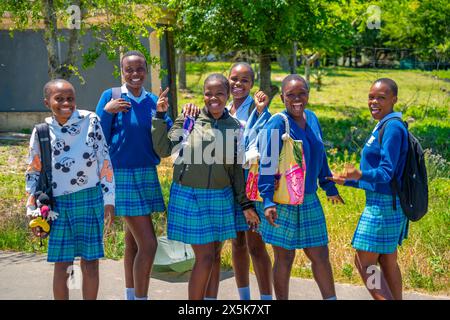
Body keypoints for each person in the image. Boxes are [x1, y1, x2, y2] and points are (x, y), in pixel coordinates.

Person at [152, 73, 258, 300]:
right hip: (190, 196)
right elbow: (163, 149)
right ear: (203, 95)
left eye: (219, 93)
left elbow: (236, 170)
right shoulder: (190, 118)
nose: (213, 98)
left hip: (221, 196)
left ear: (227, 95)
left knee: (216, 255)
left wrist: (245, 203)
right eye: (208, 93)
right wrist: (160, 115)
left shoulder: (235, 127)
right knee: (206, 257)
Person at [25, 79, 115, 300]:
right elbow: (34, 171)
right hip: (57, 205)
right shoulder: (42, 131)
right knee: (63, 265)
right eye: (59, 99)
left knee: (91, 263)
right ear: (47, 102)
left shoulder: (90, 121)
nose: (66, 102)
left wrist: (109, 198)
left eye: (70, 98)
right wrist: (33, 210)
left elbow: (104, 159)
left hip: (90, 198)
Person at [257, 74, 344, 300]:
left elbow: (320, 155)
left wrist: (329, 185)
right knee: (284, 258)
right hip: (283, 201)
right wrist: (267, 201)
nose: (297, 99)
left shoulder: (312, 118)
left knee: (320, 254)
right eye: (290, 95)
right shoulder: (277, 122)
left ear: (308, 94)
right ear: (283, 97)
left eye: (302, 93)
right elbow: (267, 162)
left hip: (309, 198)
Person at [95, 50, 172, 300]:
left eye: (140, 69)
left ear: (146, 71)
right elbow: (96, 137)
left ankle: (131, 294)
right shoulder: (112, 96)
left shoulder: (152, 100)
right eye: (129, 70)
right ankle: (141, 297)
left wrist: (161, 113)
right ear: (122, 71)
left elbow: (166, 137)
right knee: (149, 245)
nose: (135, 74)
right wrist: (107, 111)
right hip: (122, 176)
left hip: (147, 173)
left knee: (134, 243)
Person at [327, 78, 409, 300]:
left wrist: (359, 174)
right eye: (371, 97)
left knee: (364, 263)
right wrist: (348, 181)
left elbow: (386, 173)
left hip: (383, 207)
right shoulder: (385, 124)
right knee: (387, 260)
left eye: (381, 98)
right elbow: (383, 177)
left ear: (394, 99)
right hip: (388, 202)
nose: (374, 102)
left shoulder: (392, 127)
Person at [225, 62, 273, 300]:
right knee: (237, 243)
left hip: (250, 179)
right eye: (234, 78)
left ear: (252, 84)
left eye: (245, 80)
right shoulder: (222, 108)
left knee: (256, 244)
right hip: (228, 181)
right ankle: (244, 298)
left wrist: (263, 110)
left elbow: (266, 137)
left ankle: (265, 298)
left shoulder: (257, 109)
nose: (238, 84)